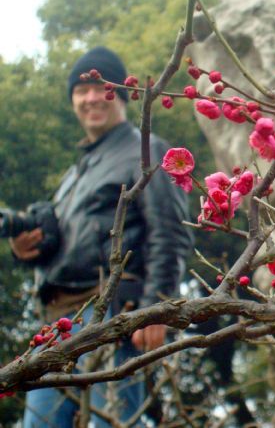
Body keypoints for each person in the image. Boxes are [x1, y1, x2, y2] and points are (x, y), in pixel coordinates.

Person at [10, 46, 193, 427]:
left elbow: (170, 231)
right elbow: (70, 242)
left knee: (117, 420)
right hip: (60, 322)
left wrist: (156, 308)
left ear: (120, 94)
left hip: (115, 313)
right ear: (72, 101)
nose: (91, 97)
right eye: (81, 89)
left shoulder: (146, 151)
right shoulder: (74, 175)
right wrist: (28, 250)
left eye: (99, 86)